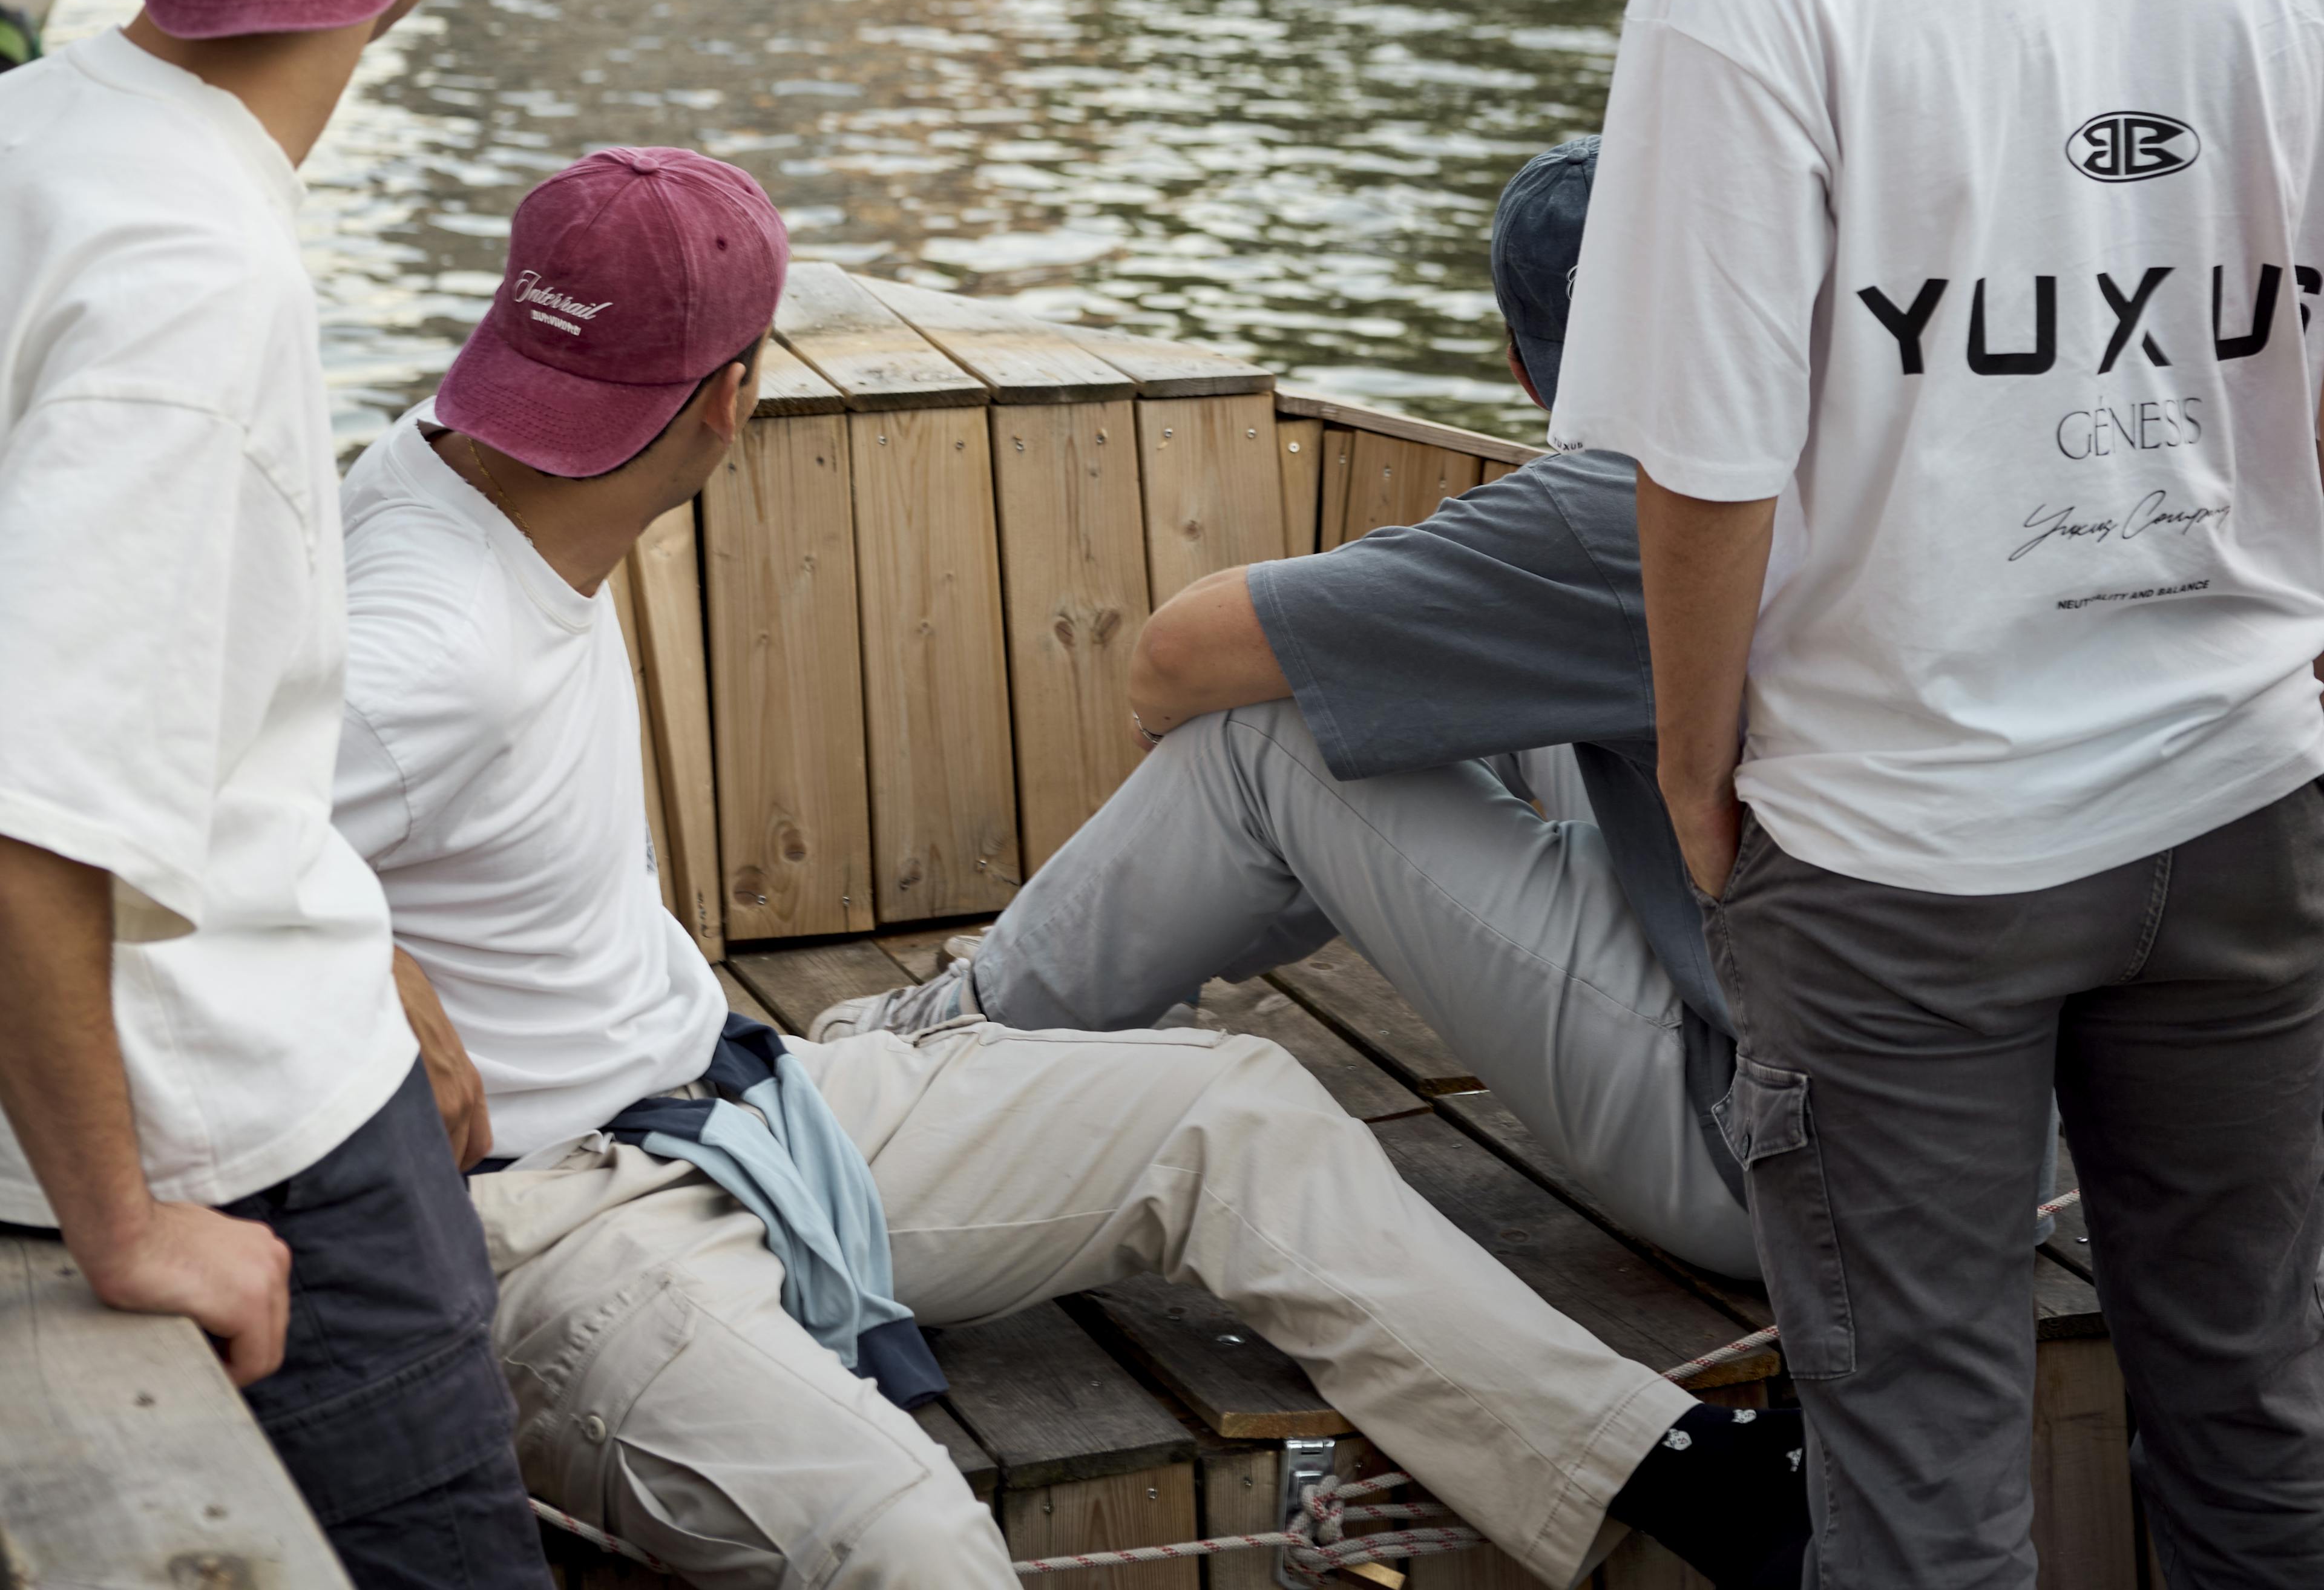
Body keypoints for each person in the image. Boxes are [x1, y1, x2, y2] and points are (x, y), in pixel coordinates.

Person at [335, 148, 1813, 1590]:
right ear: (736, 400)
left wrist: (344, 918)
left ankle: (1670, 1469)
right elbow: (127, 853)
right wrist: (353, 944)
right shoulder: (431, 647)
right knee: (911, 1545)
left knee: (1231, 1108)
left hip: (731, 1104)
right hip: (559, 1221)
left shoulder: (450, 473)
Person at [1555, 0, 2324, 1589]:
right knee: (2264, 1420)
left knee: (1922, 1486)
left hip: (1897, 838)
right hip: (2246, 792)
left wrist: (1703, 770)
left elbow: (1701, 461)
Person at [0, 0, 549, 1590]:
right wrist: (128, 1215)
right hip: (251, 1139)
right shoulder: (198, 278)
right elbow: (26, 808)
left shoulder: (45, 136)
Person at [823, 141, 1757, 1287]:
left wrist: (1278, 688)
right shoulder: (1847, 451)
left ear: (1523, 367)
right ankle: (1082, 977)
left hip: (1766, 1168)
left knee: (1268, 735)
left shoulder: (1623, 499)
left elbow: (1169, 658)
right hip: (1959, 1155)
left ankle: (944, 1046)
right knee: (1432, 687)